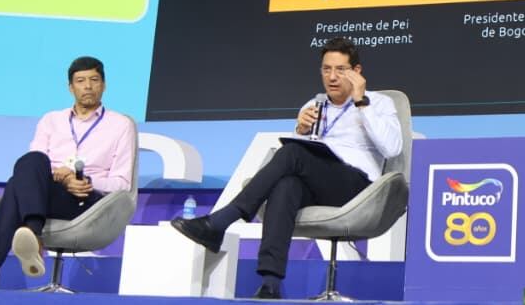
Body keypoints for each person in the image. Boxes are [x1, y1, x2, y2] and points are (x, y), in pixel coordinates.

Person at [171, 37, 403, 299]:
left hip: (358, 186)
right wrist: (302, 131)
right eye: (326, 69)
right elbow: (306, 155)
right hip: (318, 180)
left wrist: (361, 103)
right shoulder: (314, 106)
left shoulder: (379, 102)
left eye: (340, 69)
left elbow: (392, 148)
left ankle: (221, 220)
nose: (332, 77)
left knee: (291, 153)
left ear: (357, 72)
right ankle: (270, 283)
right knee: (286, 185)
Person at [0, 56, 134, 291]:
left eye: (94, 80)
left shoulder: (120, 125)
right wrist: (64, 177)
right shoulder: (51, 120)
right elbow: (34, 166)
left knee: (16, 185)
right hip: (49, 191)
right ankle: (32, 233)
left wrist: (87, 181)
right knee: (32, 160)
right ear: (70, 87)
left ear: (104, 85)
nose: (87, 86)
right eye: (81, 80)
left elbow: (123, 183)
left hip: (87, 200)